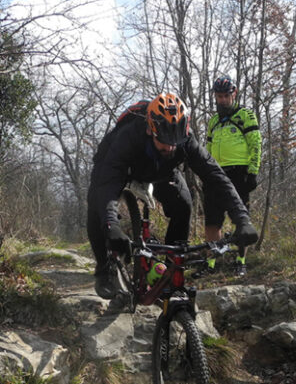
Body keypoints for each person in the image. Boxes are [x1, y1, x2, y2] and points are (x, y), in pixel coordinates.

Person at [87, 92, 259, 299]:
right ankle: (103, 269)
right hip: (119, 165)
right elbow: (108, 184)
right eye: (164, 141)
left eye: (174, 142)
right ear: (150, 130)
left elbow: (215, 175)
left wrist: (242, 218)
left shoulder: (185, 140)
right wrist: (111, 226)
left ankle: (170, 271)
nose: (170, 147)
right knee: (96, 205)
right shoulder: (128, 137)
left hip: (162, 169)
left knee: (183, 205)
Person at [203, 75, 262, 278]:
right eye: (218, 96)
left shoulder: (245, 115)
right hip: (215, 173)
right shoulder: (213, 121)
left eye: (225, 96)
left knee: (241, 218)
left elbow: (255, 143)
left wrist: (253, 172)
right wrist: (205, 172)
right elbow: (207, 149)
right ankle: (211, 261)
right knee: (212, 220)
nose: (222, 100)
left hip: (239, 172)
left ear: (234, 94)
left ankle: (241, 261)